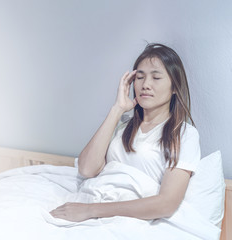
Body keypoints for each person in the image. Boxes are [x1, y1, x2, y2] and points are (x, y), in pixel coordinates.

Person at [50, 43, 200, 222]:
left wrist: (91, 210)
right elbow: (86, 169)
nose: (145, 85)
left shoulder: (184, 134)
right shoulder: (123, 126)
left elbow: (166, 204)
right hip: (90, 200)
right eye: (140, 77)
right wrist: (117, 109)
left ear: (175, 87)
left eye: (156, 78)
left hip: (122, 217)